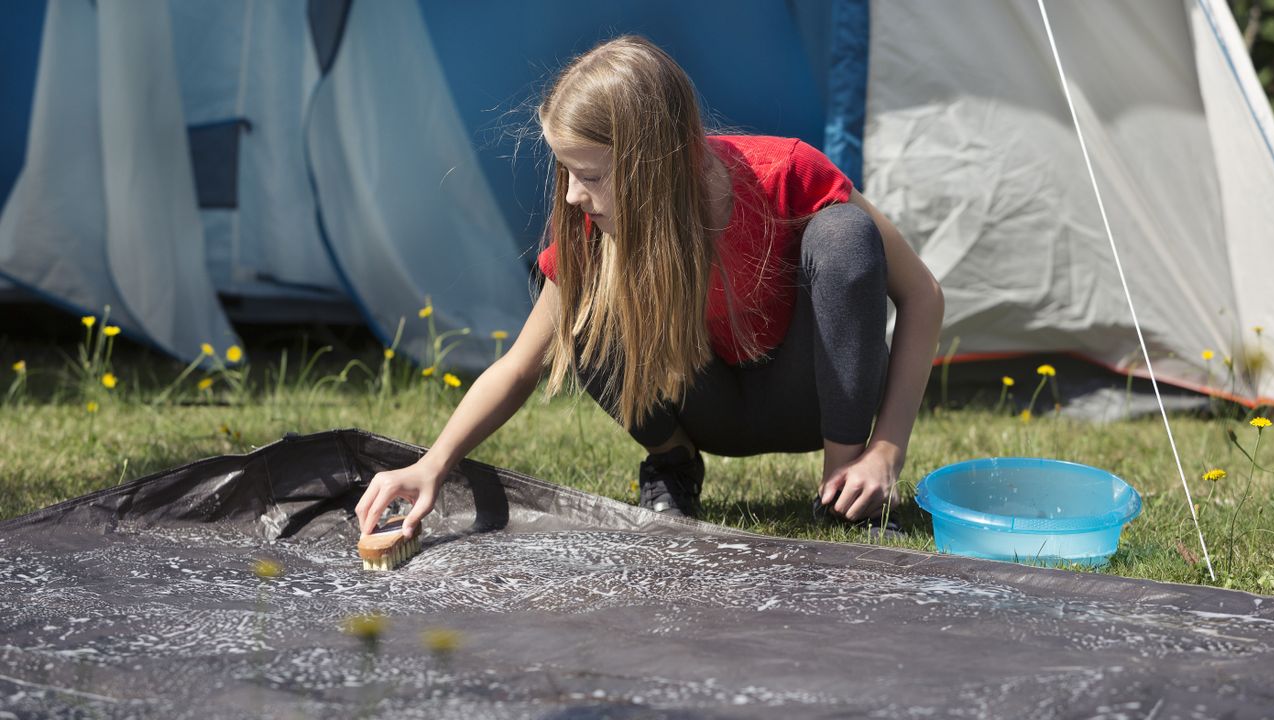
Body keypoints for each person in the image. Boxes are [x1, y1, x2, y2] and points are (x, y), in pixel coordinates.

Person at [356, 35, 943, 538]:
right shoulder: (595, 231)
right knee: (569, 285)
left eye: (588, 176)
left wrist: (883, 449)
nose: (571, 197)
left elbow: (923, 296)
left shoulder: (787, 173)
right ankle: (673, 464)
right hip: (707, 411)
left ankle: (844, 491)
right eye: (567, 175)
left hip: (808, 398)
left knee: (845, 233)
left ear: (657, 165)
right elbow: (519, 367)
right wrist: (431, 465)